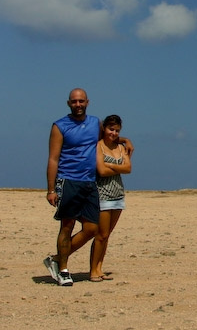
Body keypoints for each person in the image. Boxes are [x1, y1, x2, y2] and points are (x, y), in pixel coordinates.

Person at [43, 89, 131, 286]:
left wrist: (125, 140)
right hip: (68, 180)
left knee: (92, 228)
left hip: (90, 182)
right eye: (74, 101)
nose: (78, 105)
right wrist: (51, 189)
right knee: (67, 226)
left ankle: (56, 259)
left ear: (87, 102)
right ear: (69, 103)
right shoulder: (60, 126)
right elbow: (53, 158)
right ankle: (63, 270)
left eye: (81, 101)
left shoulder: (94, 123)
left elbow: (108, 137)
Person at [89, 114, 131, 281]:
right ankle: (93, 270)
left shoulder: (120, 147)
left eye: (116, 130)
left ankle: (99, 268)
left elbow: (128, 168)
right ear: (104, 129)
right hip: (102, 194)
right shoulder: (98, 146)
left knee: (107, 236)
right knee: (101, 234)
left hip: (118, 194)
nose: (113, 133)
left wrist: (110, 164)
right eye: (110, 129)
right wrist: (118, 167)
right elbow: (101, 171)